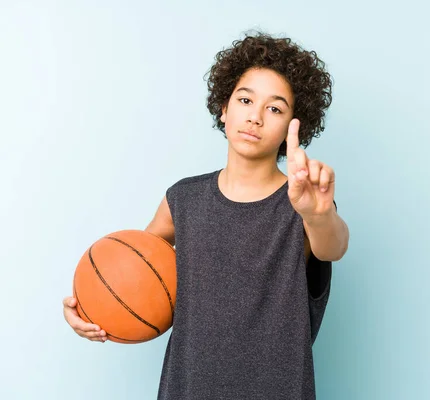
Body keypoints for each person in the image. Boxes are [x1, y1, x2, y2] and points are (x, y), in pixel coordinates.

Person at [62, 31, 349, 399]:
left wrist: (318, 213)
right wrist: (89, 308)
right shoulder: (183, 199)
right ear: (224, 108)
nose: (256, 117)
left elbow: (332, 246)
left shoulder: (305, 205)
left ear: (295, 127)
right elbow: (133, 276)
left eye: (275, 108)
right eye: (245, 100)